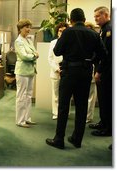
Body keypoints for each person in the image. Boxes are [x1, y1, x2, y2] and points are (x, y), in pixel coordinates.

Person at [45, 8, 107, 149]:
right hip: (85, 73)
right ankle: (77, 139)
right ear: (84, 19)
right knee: (81, 106)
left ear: (71, 20)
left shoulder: (68, 32)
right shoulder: (93, 33)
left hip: (69, 72)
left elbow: (57, 51)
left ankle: (59, 139)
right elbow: (103, 54)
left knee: (64, 106)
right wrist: (91, 60)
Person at [89, 6, 112, 137]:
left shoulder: (109, 30)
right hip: (103, 69)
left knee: (106, 99)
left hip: (107, 71)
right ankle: (103, 123)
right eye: (95, 16)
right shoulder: (103, 29)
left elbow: (107, 55)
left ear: (105, 15)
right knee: (102, 98)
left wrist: (99, 71)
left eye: (98, 16)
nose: (95, 18)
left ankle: (108, 128)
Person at [14, 19, 39, 128]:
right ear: (20, 29)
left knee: (28, 96)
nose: (28, 29)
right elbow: (24, 56)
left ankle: (27, 118)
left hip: (30, 70)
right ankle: (20, 120)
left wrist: (33, 54)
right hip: (22, 71)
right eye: (26, 27)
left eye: (29, 27)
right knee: (21, 96)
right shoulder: (18, 41)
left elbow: (34, 52)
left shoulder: (28, 40)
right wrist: (34, 56)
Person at [48, 22, 69, 120]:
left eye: (64, 31)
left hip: (67, 71)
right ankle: (56, 113)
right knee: (55, 94)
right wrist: (57, 69)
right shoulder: (53, 43)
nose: (62, 32)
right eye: (60, 31)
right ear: (57, 32)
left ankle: (65, 112)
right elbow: (50, 58)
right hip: (56, 71)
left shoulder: (70, 41)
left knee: (65, 94)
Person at [84, 22, 98, 123]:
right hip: (84, 71)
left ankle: (89, 117)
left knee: (91, 96)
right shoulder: (83, 41)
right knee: (84, 95)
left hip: (93, 69)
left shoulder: (96, 40)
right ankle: (85, 115)